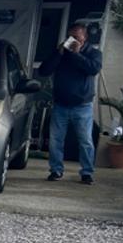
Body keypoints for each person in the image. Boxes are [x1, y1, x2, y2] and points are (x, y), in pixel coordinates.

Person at [37, 23, 101, 184]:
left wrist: (77, 54)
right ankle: (56, 170)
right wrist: (58, 54)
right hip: (61, 105)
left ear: (84, 38)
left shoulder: (93, 53)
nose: (72, 40)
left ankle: (87, 172)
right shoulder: (62, 53)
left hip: (82, 106)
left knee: (85, 141)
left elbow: (93, 69)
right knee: (55, 140)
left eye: (77, 37)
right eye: (70, 37)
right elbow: (44, 71)